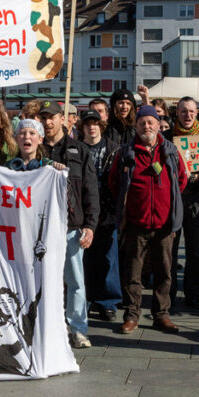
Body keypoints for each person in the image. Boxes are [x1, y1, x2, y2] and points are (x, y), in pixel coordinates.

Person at [108, 105, 186, 334]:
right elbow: (114, 184)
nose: (147, 126)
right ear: (136, 125)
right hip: (135, 223)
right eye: (142, 122)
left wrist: (166, 207)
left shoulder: (170, 151)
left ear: (158, 124)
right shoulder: (126, 153)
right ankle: (132, 315)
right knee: (133, 272)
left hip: (164, 225)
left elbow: (180, 181)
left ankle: (161, 315)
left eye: (151, 122)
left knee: (164, 272)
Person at [38, 101, 99, 348]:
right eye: (43, 118)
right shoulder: (35, 149)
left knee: (75, 281)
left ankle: (78, 329)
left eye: (51, 117)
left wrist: (91, 225)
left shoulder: (79, 150)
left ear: (63, 119)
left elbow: (90, 190)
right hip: (41, 227)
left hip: (71, 226)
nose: (47, 122)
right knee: (45, 280)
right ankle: (50, 326)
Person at [172, 96, 199, 309]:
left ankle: (193, 293)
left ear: (196, 113)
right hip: (172, 199)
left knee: (195, 250)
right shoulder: (168, 136)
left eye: (191, 111)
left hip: (197, 199)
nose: (187, 115)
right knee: (169, 249)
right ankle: (168, 294)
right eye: (183, 111)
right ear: (177, 113)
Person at [79, 110, 122, 322]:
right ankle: (85, 299)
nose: (92, 127)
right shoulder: (75, 148)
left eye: (95, 123)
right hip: (82, 212)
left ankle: (108, 301)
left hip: (107, 211)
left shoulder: (114, 149)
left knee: (108, 258)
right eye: (88, 124)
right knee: (84, 258)